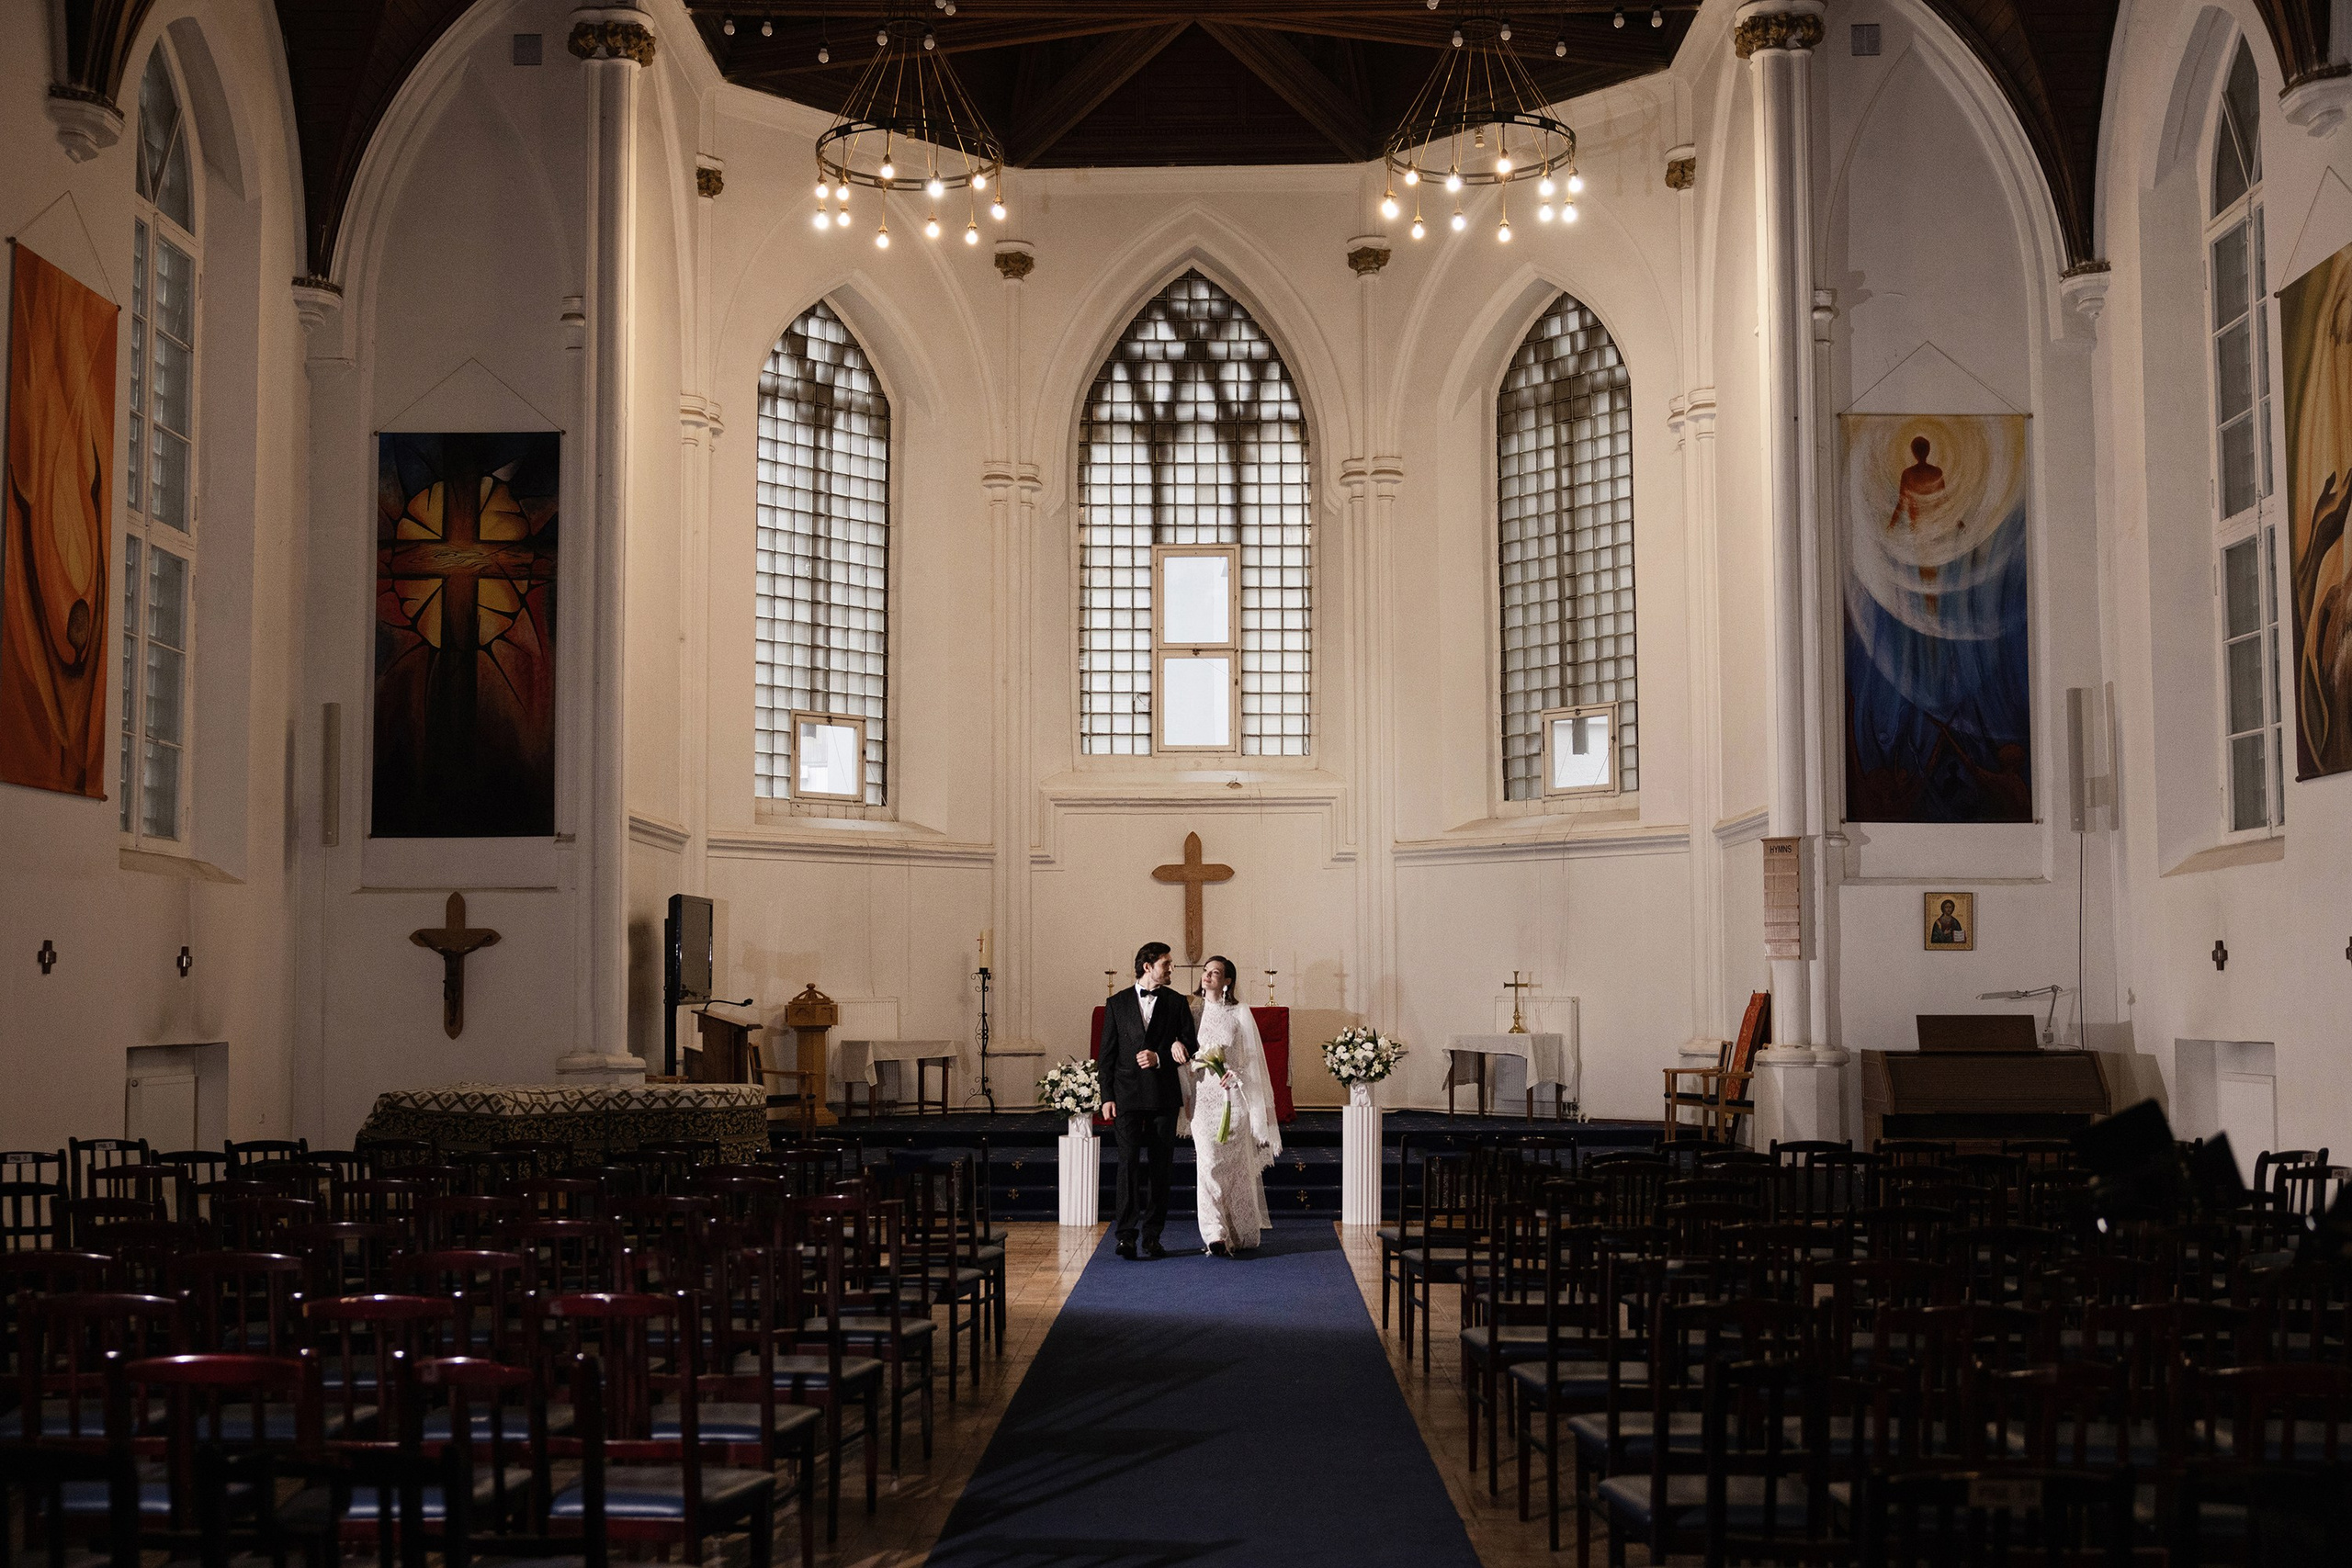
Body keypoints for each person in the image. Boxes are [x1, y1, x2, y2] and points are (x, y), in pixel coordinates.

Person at [1097, 941, 1196, 1260]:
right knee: (1127, 1165)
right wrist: (1106, 1096)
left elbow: (1190, 1046)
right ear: (1148, 967)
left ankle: (1153, 1236)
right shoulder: (1117, 1003)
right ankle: (1125, 1235)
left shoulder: (1177, 1002)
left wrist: (1161, 1058)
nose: (1171, 969)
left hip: (1163, 1095)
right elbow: (1106, 1056)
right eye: (1167, 964)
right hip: (1126, 1096)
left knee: (1160, 1168)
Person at [1189, 955, 1281, 1257]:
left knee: (1236, 1167)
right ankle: (1214, 1232)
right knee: (1208, 1164)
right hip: (1204, 1099)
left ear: (1227, 981)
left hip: (1233, 1098)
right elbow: (1182, 1052)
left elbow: (1249, 1058)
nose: (1208, 976)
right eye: (1206, 971)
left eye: (1216, 973)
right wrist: (1195, 1061)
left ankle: (1240, 1229)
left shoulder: (1238, 1012)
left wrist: (1236, 1074)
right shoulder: (1191, 1012)